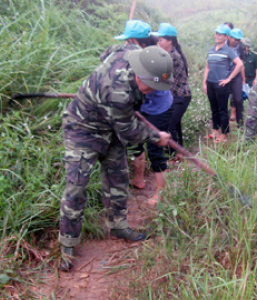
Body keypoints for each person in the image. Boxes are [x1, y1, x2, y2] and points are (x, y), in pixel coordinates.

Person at [58, 21, 173, 271]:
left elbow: (108, 52)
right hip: (83, 128)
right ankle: (67, 245)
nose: (153, 91)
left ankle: (119, 226)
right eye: (152, 86)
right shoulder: (119, 92)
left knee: (118, 178)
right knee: (76, 186)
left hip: (110, 127)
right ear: (141, 75)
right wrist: (156, 136)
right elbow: (130, 130)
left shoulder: (131, 52)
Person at [153, 23, 192, 159]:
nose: (158, 42)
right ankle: (179, 152)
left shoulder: (172, 57)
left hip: (180, 96)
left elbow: (159, 75)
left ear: (170, 41)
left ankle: (173, 155)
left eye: (161, 40)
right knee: (175, 124)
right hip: (177, 96)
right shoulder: (170, 53)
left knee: (170, 125)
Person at [130, 89, 173, 206]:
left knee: (154, 149)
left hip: (160, 108)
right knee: (135, 143)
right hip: (140, 105)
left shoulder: (157, 73)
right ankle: (139, 180)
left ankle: (161, 193)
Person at [203, 24, 243, 142]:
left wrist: (229, 79)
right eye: (216, 33)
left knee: (222, 109)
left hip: (221, 84)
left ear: (226, 37)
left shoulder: (228, 50)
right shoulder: (211, 49)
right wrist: (204, 82)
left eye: (220, 34)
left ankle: (224, 134)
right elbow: (207, 67)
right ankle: (215, 131)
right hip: (210, 82)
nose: (217, 36)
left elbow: (239, 64)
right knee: (214, 108)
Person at [227, 28, 246, 127]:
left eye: (238, 40)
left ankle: (240, 124)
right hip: (224, 75)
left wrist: (243, 79)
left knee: (238, 99)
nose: (236, 41)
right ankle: (223, 126)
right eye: (235, 39)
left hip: (236, 76)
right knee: (222, 100)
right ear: (229, 37)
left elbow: (241, 63)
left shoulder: (241, 46)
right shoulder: (223, 45)